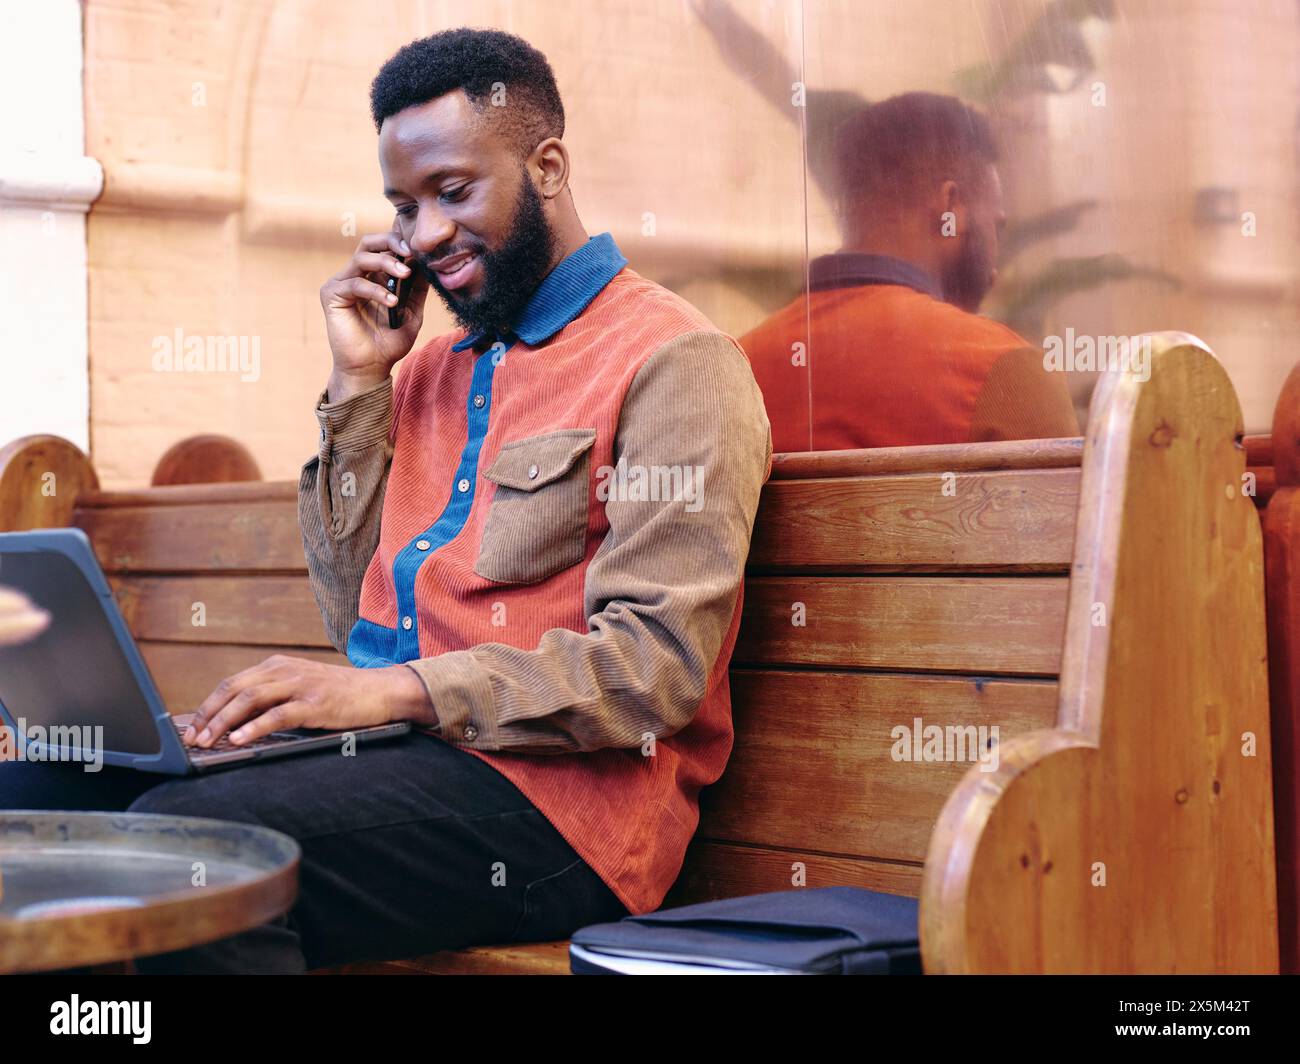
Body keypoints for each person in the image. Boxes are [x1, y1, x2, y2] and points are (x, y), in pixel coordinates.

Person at [0, 27, 772, 973]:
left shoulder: (674, 362)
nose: (426, 233)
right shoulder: (422, 371)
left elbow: (656, 670)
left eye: (454, 191)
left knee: (190, 846)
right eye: (404, 206)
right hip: (390, 765)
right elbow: (350, 614)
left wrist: (390, 691)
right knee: (38, 793)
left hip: (563, 817)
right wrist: (358, 385)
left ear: (548, 166)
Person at [741, 92, 1079, 452]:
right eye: (996, 227)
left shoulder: (742, 369)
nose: (996, 263)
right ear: (951, 207)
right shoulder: (1007, 374)